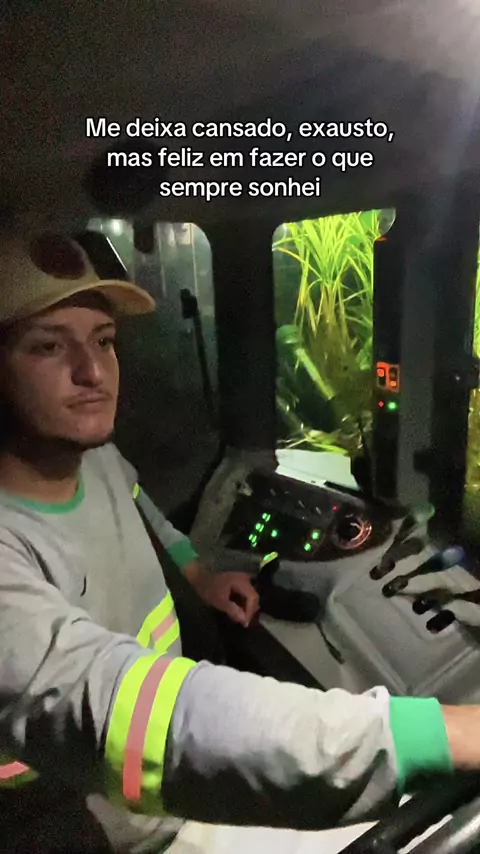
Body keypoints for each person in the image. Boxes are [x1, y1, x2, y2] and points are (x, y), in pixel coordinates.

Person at [0, 230, 477, 854]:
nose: (92, 372)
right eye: (47, 346)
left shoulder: (98, 460)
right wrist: (444, 734)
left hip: (170, 804)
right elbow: (117, 708)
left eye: (104, 341)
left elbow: (145, 514)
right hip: (94, 831)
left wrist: (198, 574)